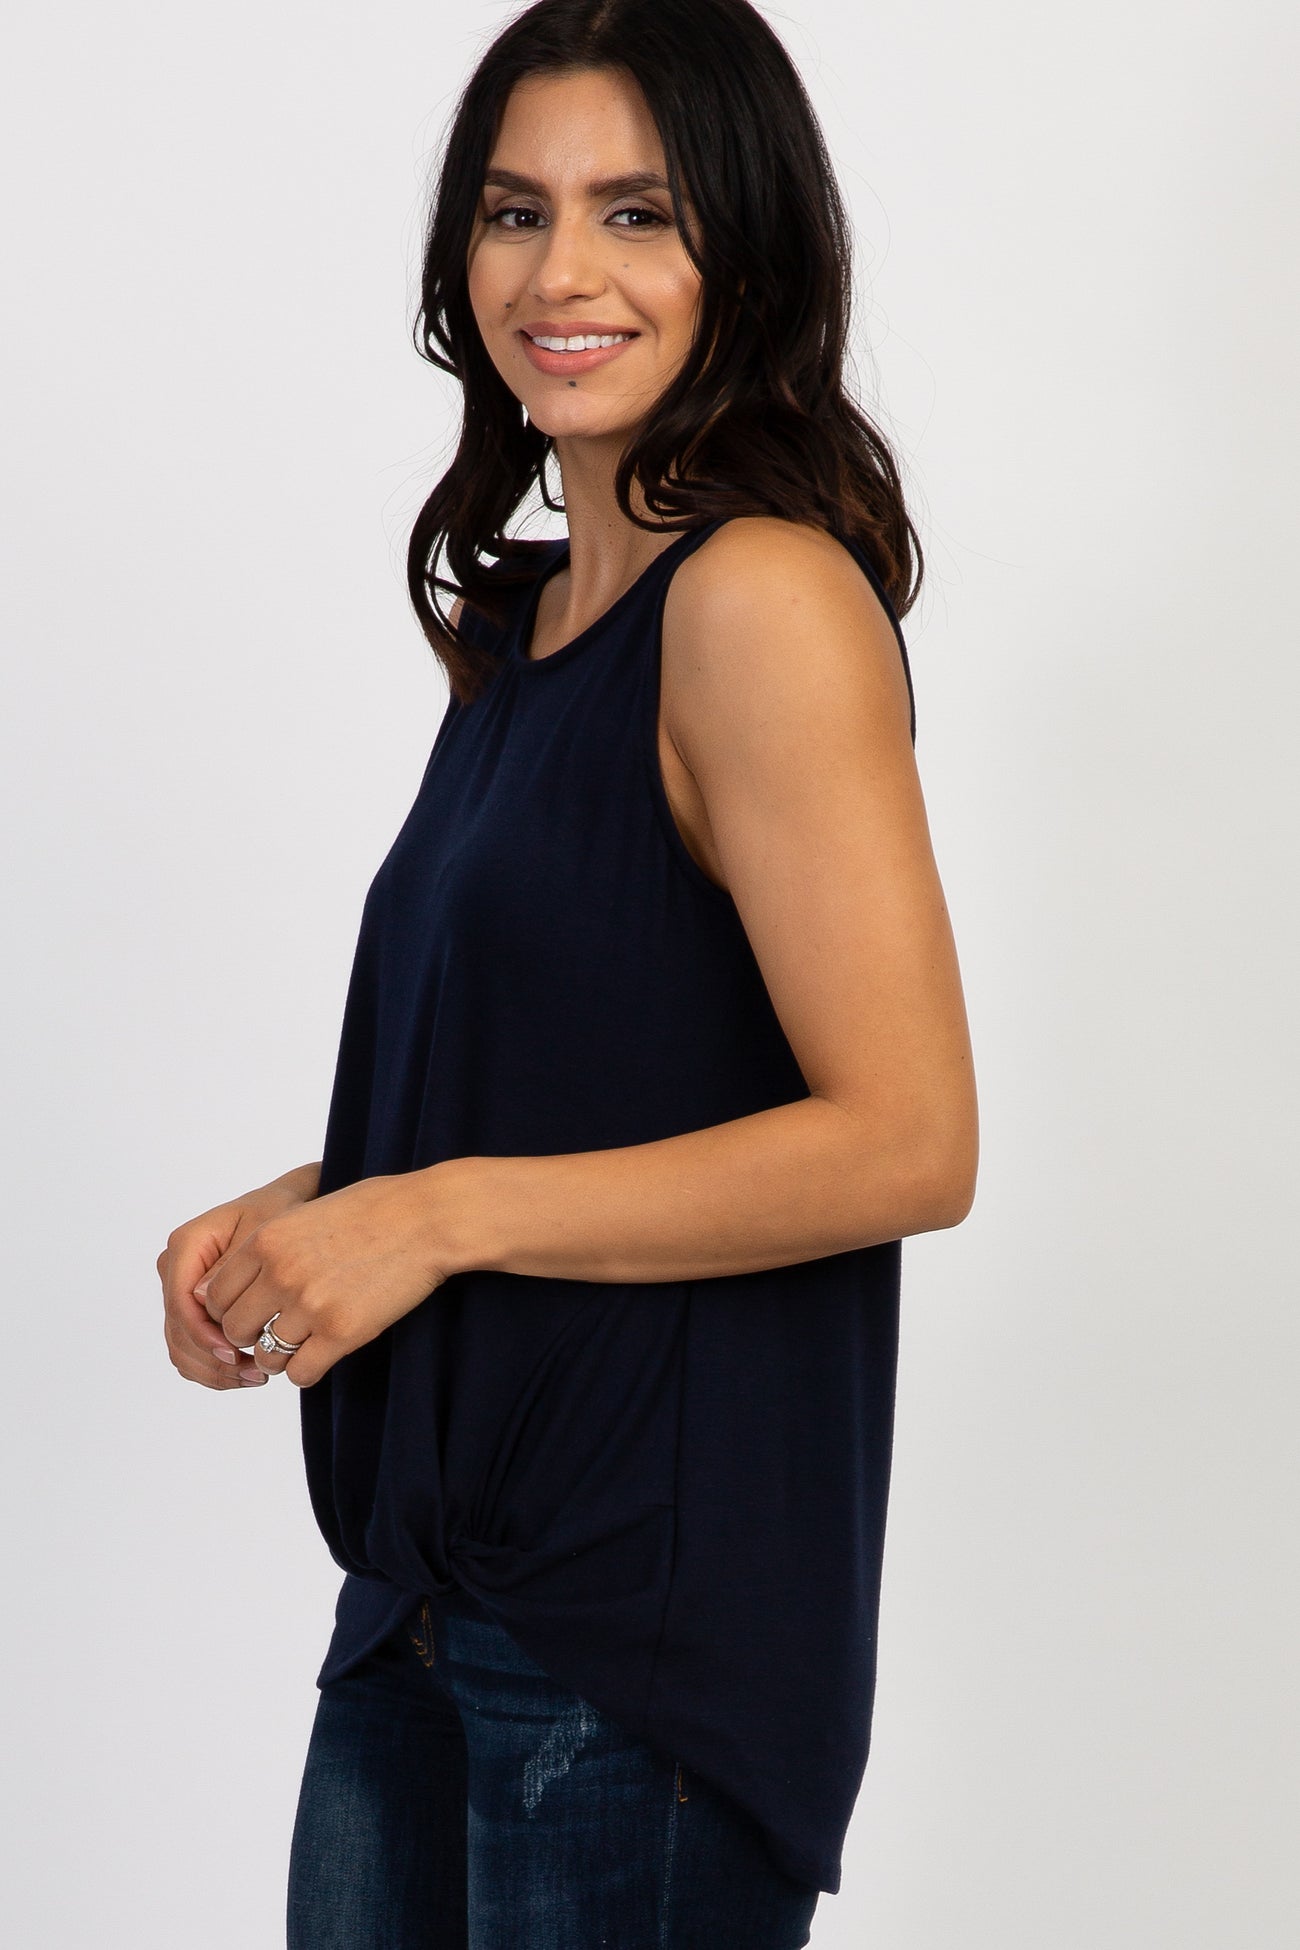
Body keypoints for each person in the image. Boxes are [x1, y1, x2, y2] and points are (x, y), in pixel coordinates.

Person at [156, 0, 978, 1942]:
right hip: (422, 1607)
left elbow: (907, 1140)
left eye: (637, 213)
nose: (560, 273)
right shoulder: (525, 628)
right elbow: (598, 1074)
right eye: (516, 211)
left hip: (631, 1653)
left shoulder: (761, 600)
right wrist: (321, 1211)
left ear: (745, 256)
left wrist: (427, 1216)